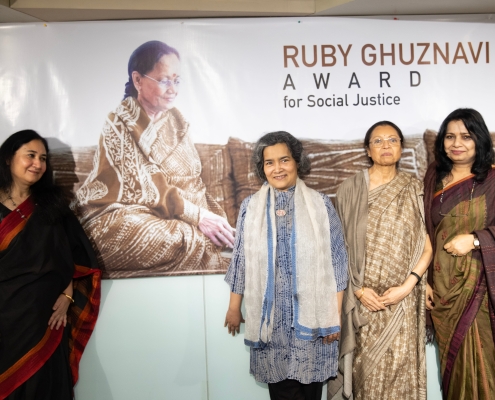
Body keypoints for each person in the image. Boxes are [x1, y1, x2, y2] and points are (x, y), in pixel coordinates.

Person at [74, 40, 234, 278]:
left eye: (176, 80)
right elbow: (139, 183)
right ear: (138, 80)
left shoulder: (177, 122)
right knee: (150, 235)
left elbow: (192, 179)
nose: (173, 89)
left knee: (186, 234)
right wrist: (197, 216)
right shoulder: (118, 122)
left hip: (181, 214)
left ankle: (200, 239)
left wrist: (202, 214)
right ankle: (199, 242)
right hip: (125, 211)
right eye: (164, 80)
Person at [224, 131, 348, 400]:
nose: (277, 168)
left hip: (313, 324)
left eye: (284, 160)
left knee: (310, 392)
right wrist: (234, 307)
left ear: (297, 162)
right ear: (263, 168)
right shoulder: (250, 207)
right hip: (271, 326)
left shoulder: (321, 204)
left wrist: (334, 316)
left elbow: (338, 261)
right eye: (269, 162)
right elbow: (241, 260)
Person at [328, 121, 432, 400]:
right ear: (367, 150)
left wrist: (408, 286)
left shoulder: (416, 188)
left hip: (403, 300)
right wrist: (359, 291)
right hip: (363, 302)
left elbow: (427, 246)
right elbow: (337, 248)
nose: (386, 146)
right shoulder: (350, 189)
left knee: (401, 374)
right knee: (365, 379)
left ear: (401, 147)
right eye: (378, 141)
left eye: (392, 140)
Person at [0, 130, 101, 400]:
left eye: (43, 158)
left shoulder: (51, 206)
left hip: (46, 319)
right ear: (9, 158)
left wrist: (67, 296)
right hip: (5, 321)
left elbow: (74, 257)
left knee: (46, 386)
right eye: (30, 155)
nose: (38, 164)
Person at [423, 108, 495, 399]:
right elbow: (423, 231)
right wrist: (424, 281)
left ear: (479, 140)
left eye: (466, 136)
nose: (457, 144)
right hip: (442, 290)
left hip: (480, 290)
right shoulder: (434, 177)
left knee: (483, 366)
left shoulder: (492, 179)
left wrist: (476, 240)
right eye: (450, 137)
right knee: (453, 371)